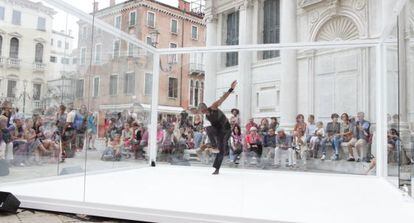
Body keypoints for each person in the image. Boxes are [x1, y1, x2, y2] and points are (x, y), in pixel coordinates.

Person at [197, 80, 237, 175]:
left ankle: (217, 169)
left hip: (226, 130)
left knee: (222, 150)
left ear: (206, 108)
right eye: (202, 112)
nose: (203, 113)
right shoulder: (205, 115)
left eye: (204, 110)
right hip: (219, 130)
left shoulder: (214, 106)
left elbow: (223, 98)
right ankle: (213, 146)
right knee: (208, 128)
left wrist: (231, 89)